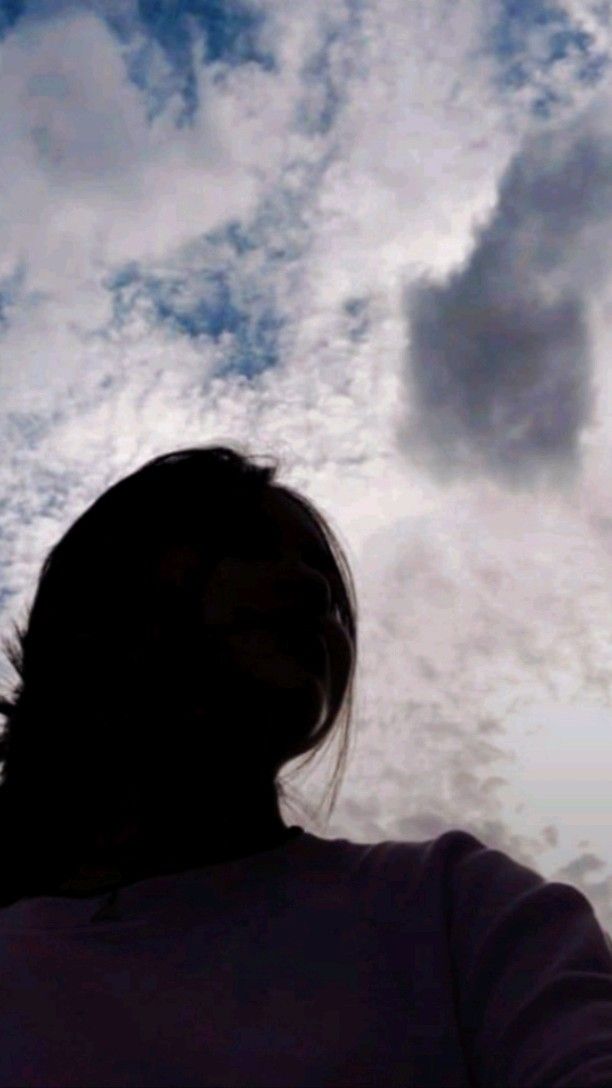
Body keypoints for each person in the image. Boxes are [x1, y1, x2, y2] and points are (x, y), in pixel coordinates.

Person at [0, 443, 610, 1087]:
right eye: (247, 545)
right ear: (107, 593)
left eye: (319, 573)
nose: (315, 590)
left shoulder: (456, 905)